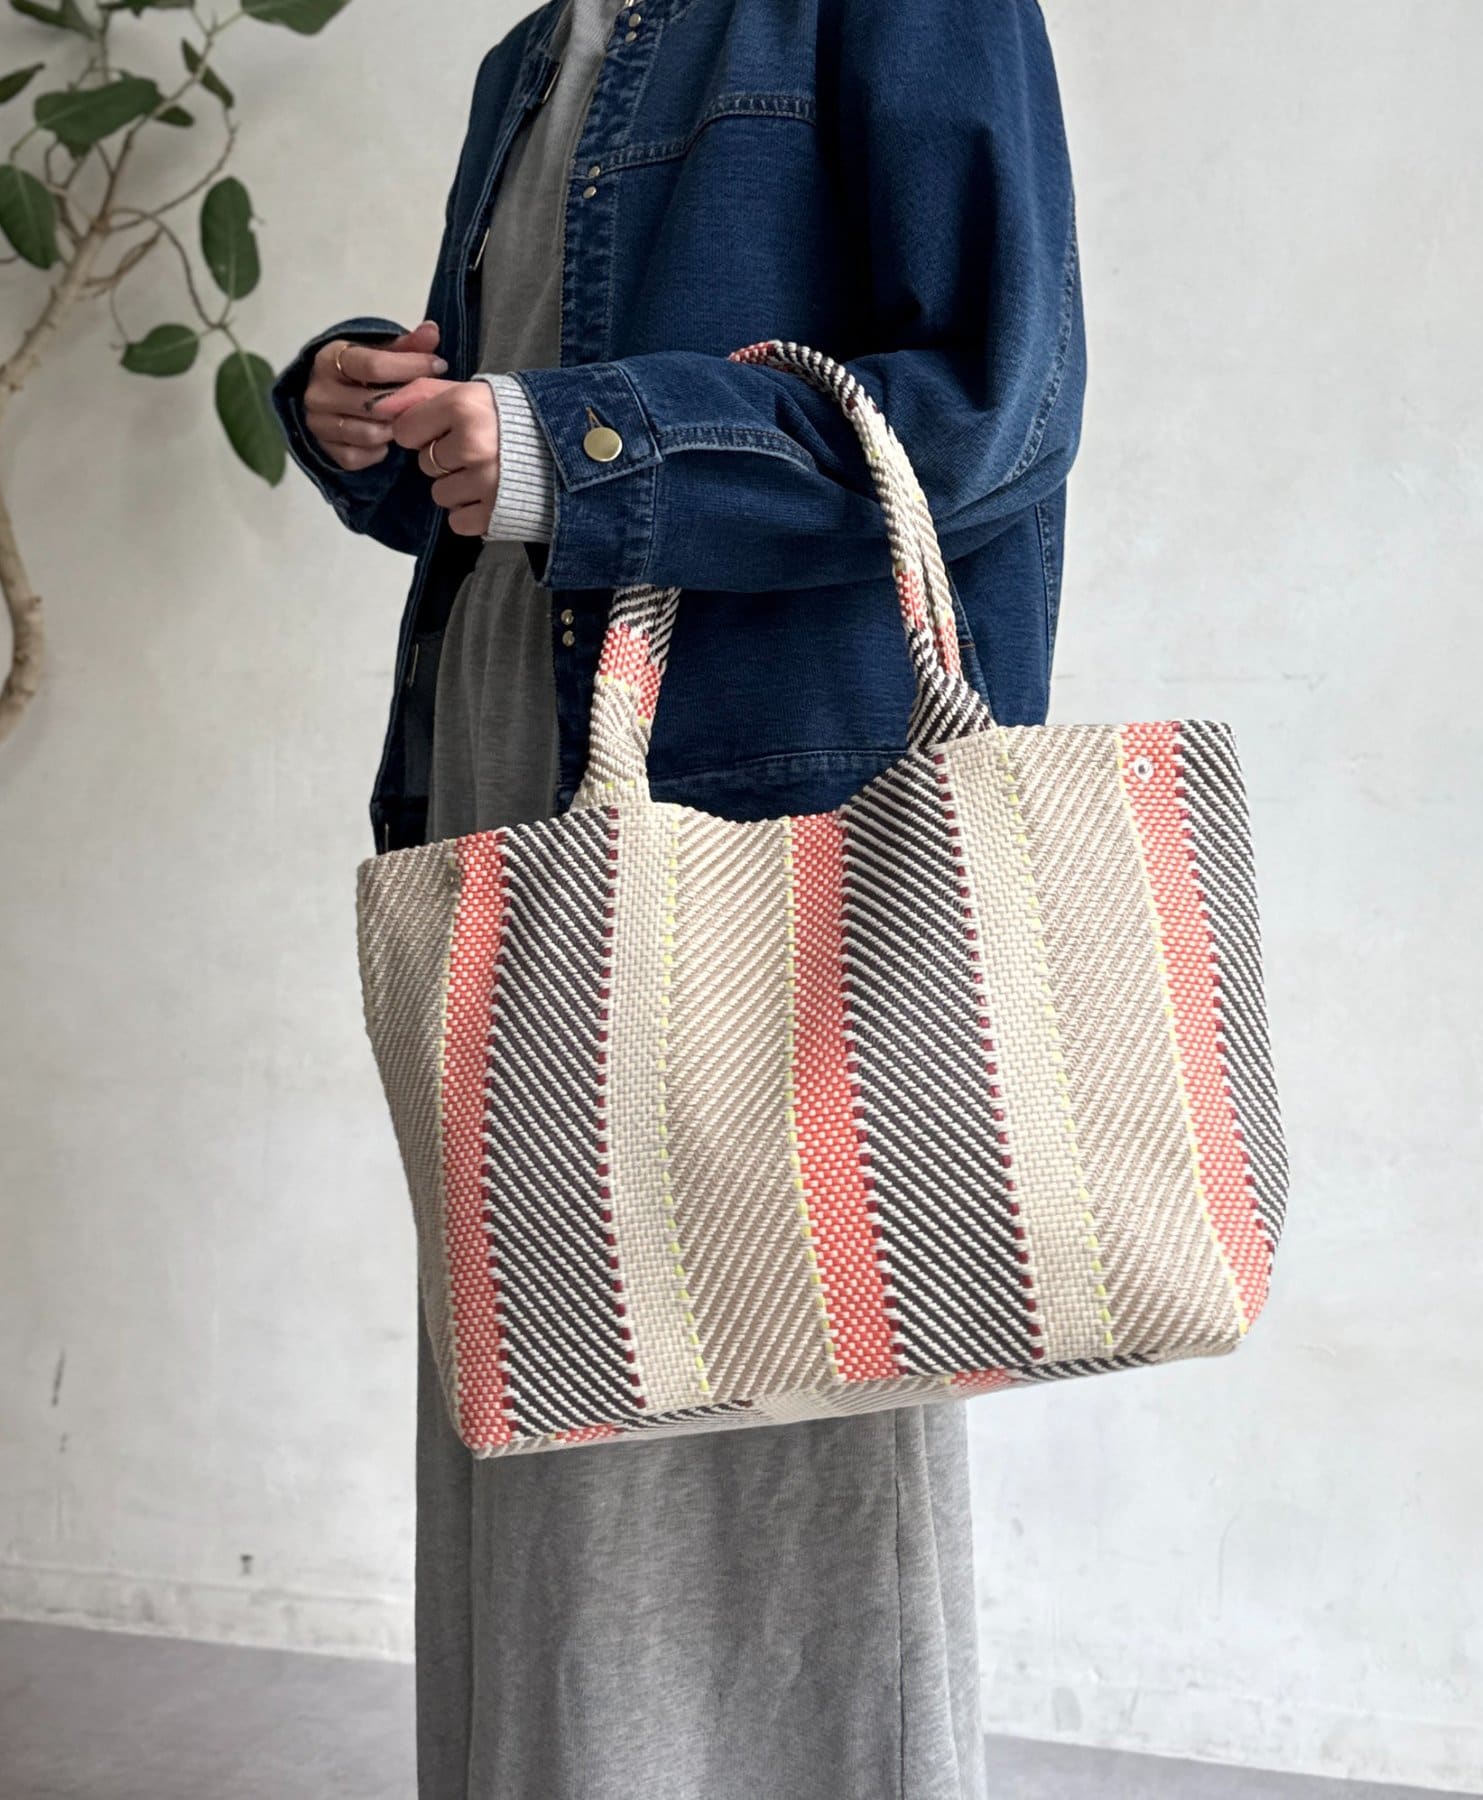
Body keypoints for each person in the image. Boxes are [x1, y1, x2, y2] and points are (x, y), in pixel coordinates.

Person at [271, 1, 1083, 1794]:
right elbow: (519, 454)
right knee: (541, 1382)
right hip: (510, 784)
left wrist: (576, 443)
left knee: (774, 1369)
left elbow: (996, 407)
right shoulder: (535, 53)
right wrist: (380, 421)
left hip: (760, 825)